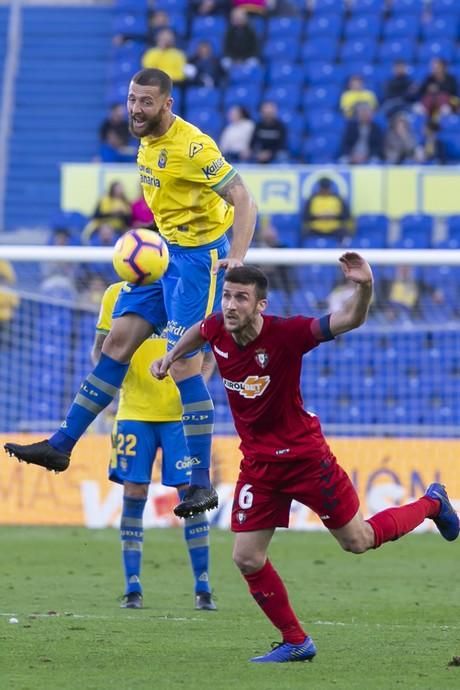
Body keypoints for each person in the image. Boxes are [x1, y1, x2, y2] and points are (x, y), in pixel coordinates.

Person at [151, 261, 459, 663]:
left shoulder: (288, 333)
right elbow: (199, 331)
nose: (230, 305)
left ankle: (433, 503)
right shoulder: (217, 329)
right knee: (246, 557)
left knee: (358, 541)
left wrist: (364, 287)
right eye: (227, 296)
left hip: (305, 459)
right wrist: (172, 355)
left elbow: (349, 318)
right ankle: (296, 640)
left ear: (261, 305)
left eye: (241, 298)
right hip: (259, 466)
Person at [5, 68, 257, 521]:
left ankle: (200, 483)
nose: (135, 109)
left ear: (167, 105)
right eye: (131, 99)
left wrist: (235, 257)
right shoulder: (144, 141)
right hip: (164, 256)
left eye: (146, 102)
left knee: (184, 363)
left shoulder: (194, 147)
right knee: (117, 343)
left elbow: (243, 196)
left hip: (201, 263)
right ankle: (61, 445)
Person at [93, 281, 216, 611]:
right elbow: (101, 349)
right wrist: (111, 389)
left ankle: (203, 587)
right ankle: (132, 587)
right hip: (133, 413)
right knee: (133, 493)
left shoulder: (187, 290)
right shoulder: (115, 295)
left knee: (191, 495)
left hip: (179, 418)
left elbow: (208, 353)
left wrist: (195, 386)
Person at [302, 177, 352, 241]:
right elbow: (305, 217)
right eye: (323, 188)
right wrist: (317, 216)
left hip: (334, 228)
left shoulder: (337, 198)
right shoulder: (313, 199)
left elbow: (346, 216)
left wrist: (334, 216)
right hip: (316, 228)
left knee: (345, 234)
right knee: (304, 234)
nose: (325, 190)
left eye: (327, 188)